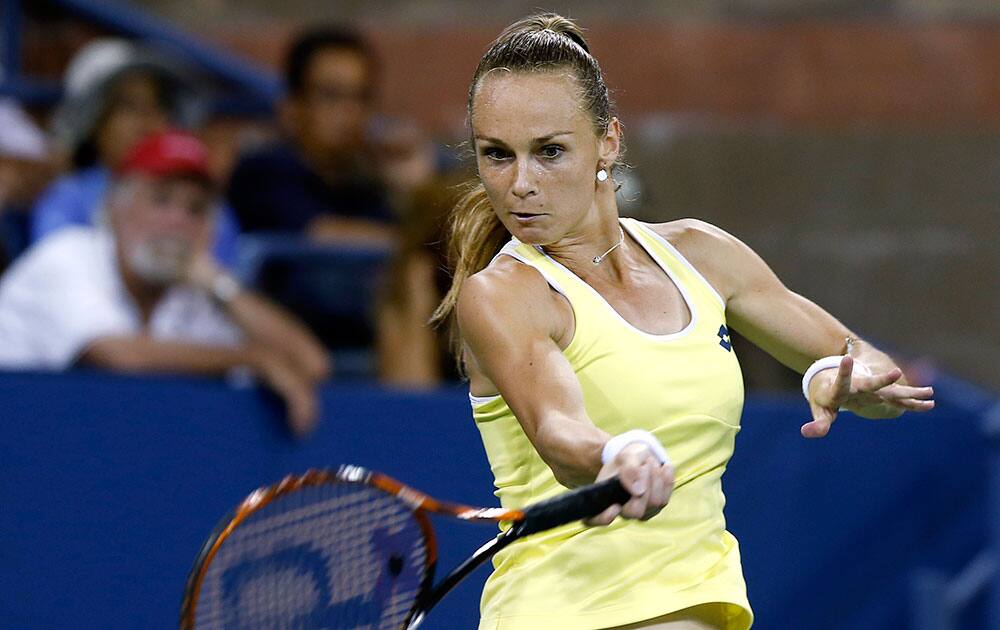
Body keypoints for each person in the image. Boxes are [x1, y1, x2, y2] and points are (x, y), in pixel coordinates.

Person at [429, 14, 936, 630]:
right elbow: (557, 428)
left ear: (608, 142)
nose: (521, 184)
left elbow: (876, 375)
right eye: (496, 155)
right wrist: (617, 451)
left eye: (550, 151)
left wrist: (839, 378)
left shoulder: (702, 254)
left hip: (699, 606)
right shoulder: (501, 295)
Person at [0, 130, 329, 435]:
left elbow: (310, 364)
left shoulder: (193, 294)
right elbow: (117, 357)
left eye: (196, 209)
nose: (178, 221)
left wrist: (219, 284)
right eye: (161, 199)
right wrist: (253, 359)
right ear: (114, 207)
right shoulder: (67, 255)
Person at [31, 38, 240, 265]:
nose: (148, 122)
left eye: (158, 107)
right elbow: (60, 275)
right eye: (130, 107)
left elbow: (221, 279)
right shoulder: (67, 200)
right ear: (95, 123)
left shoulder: (200, 201)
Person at [226, 25, 395, 243]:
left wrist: (411, 192)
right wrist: (408, 243)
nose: (350, 111)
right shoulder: (262, 172)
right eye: (331, 96)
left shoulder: (367, 186)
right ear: (292, 107)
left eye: (361, 97)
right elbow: (319, 235)